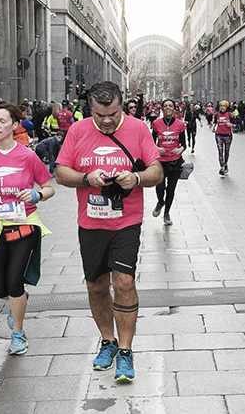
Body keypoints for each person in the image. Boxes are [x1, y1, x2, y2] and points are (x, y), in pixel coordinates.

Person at [53, 81, 162, 382]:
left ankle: (126, 350)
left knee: (124, 282)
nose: (107, 120)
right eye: (100, 115)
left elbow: (157, 171)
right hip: (90, 223)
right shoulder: (77, 131)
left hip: (126, 221)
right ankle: (108, 342)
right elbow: (61, 172)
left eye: (113, 113)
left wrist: (136, 178)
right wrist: (87, 178)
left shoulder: (139, 129)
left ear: (120, 105)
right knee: (96, 286)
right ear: (90, 109)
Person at [0, 103, 54, 355]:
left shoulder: (27, 155)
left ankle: (18, 333)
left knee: (14, 280)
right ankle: (17, 302)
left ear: (15, 125)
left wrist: (35, 195)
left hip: (24, 223)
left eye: (2, 121)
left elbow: (49, 187)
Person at [151, 99, 187, 226]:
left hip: (175, 162)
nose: (168, 108)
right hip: (160, 161)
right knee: (160, 186)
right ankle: (160, 202)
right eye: (165, 106)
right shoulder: (156, 124)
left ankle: (166, 213)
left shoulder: (180, 125)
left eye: (170, 106)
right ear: (162, 108)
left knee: (171, 189)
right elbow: (150, 142)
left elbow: (184, 144)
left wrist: (181, 149)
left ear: (174, 109)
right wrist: (156, 148)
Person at [214, 100, 234, 176]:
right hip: (219, 135)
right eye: (221, 106)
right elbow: (215, 122)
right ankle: (221, 167)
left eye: (224, 106)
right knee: (220, 151)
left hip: (228, 135)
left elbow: (235, 125)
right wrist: (213, 127)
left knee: (226, 151)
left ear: (227, 107)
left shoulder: (230, 115)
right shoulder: (217, 114)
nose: (222, 107)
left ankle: (225, 164)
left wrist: (231, 125)